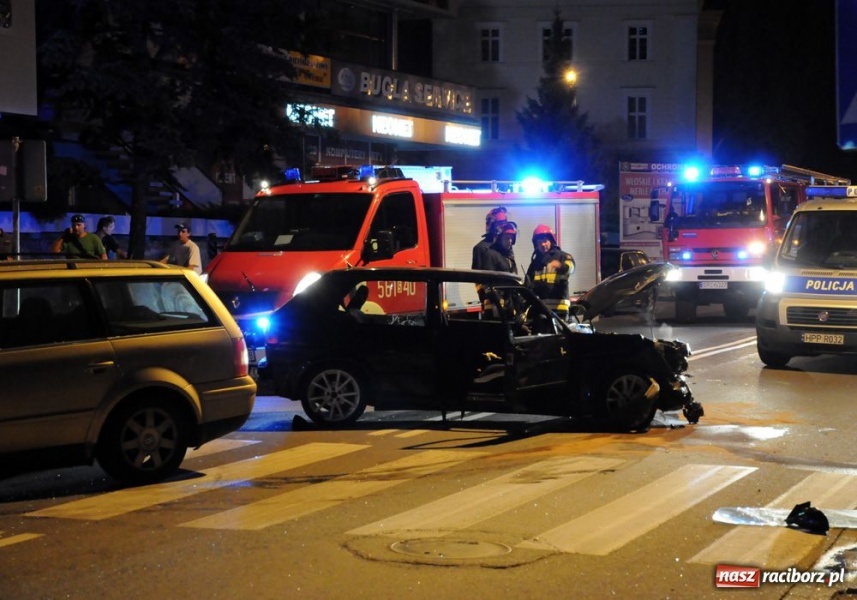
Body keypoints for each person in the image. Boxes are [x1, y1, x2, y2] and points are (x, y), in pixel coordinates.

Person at [525, 224, 575, 319]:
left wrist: (560, 266)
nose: (543, 245)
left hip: (559, 310)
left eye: (545, 241)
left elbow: (571, 268)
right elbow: (528, 285)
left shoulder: (562, 256)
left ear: (551, 241)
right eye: (539, 242)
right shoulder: (535, 262)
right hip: (540, 311)